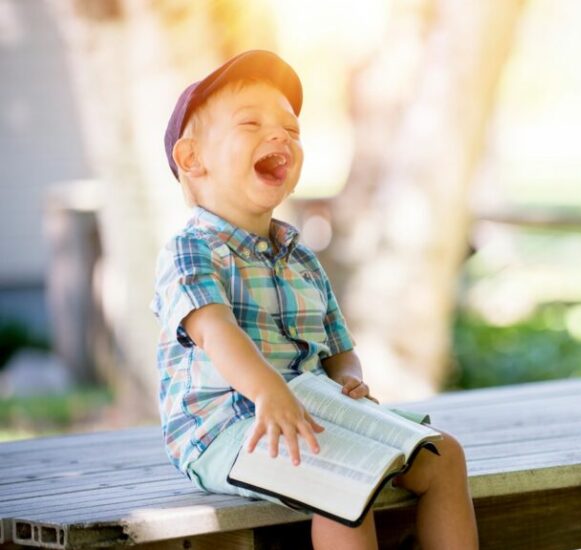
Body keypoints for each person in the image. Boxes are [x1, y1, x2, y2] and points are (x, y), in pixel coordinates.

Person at [151, 50, 478, 549]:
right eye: (251, 123)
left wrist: (349, 377)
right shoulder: (191, 250)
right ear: (193, 159)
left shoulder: (299, 255)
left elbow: (338, 347)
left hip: (310, 409)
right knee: (344, 480)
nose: (281, 135)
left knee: (443, 456)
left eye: (291, 128)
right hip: (225, 429)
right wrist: (268, 392)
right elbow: (216, 331)